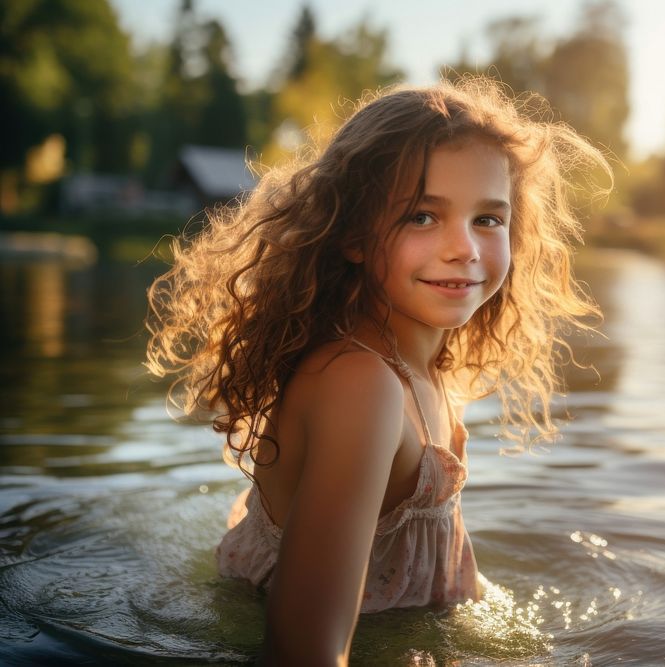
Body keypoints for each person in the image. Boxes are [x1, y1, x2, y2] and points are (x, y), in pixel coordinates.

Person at [144, 77, 611, 665]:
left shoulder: (430, 365)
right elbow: (303, 652)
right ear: (353, 235)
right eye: (422, 216)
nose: (463, 247)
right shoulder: (360, 385)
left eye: (488, 220)